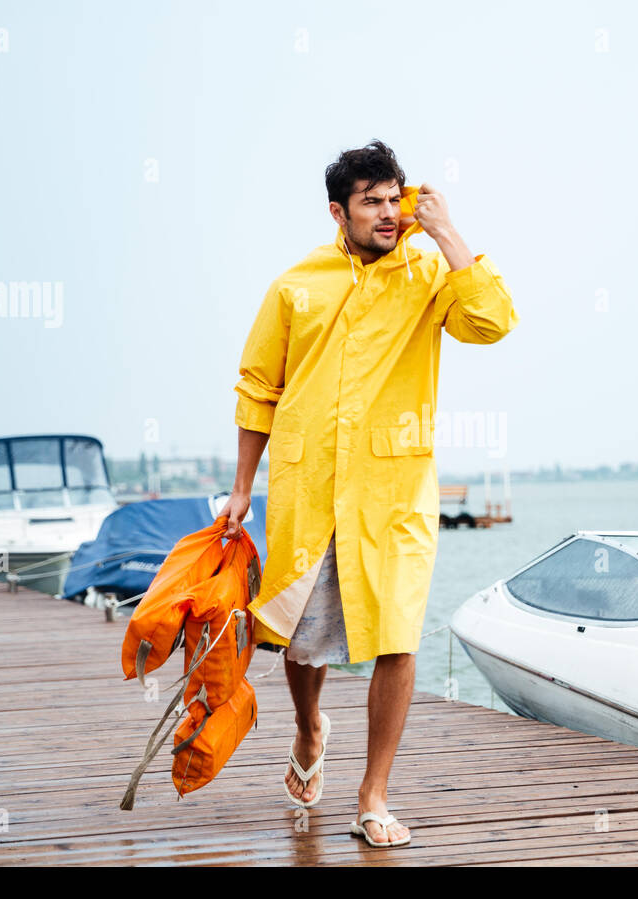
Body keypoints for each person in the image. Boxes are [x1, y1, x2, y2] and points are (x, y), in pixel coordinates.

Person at [220, 139, 518, 848]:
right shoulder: (297, 284)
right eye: (372, 202)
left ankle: (373, 794)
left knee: (396, 634)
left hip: (394, 491)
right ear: (338, 210)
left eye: (396, 198)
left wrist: (447, 233)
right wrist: (239, 489)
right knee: (298, 641)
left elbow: (493, 322)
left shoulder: (430, 271)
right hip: (308, 484)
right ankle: (307, 724)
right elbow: (259, 387)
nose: (388, 214)